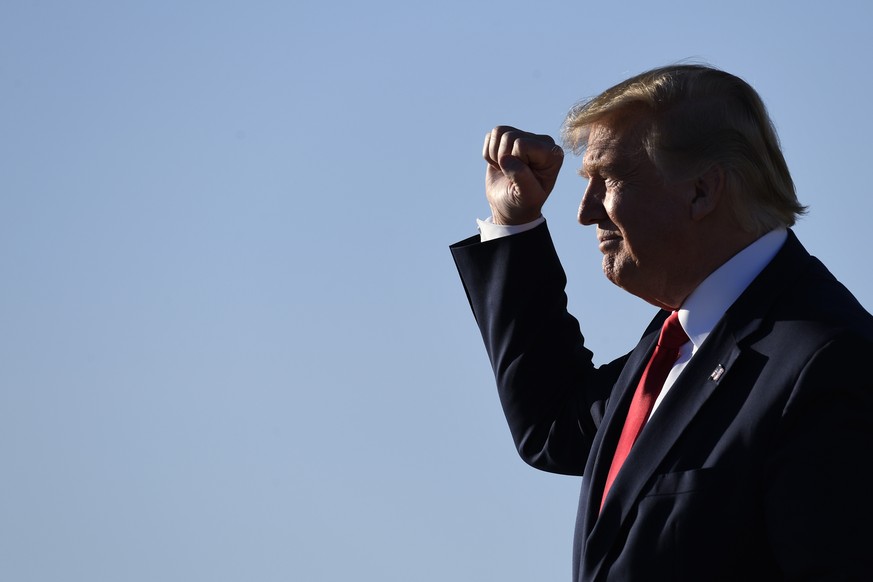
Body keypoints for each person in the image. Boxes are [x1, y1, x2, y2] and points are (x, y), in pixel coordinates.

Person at [450, 64, 873, 580]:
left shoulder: (829, 363)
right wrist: (516, 224)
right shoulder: (682, 339)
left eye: (607, 180)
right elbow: (554, 424)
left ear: (702, 191)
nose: (584, 212)